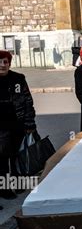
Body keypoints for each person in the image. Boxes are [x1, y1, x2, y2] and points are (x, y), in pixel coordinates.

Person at [0, 51, 37, 201]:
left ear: (9, 63)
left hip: (17, 124)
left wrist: (29, 122)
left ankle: (19, 183)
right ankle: (5, 188)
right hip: (1, 127)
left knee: (17, 155)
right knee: (2, 159)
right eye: (0, 61)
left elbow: (28, 100)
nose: (3, 65)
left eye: (5, 62)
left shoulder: (18, 79)